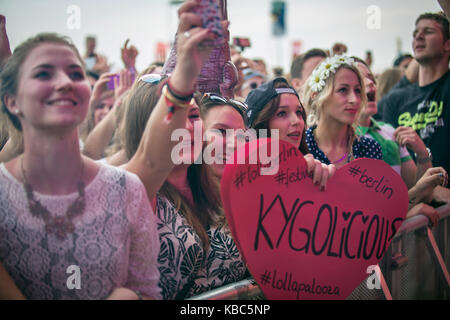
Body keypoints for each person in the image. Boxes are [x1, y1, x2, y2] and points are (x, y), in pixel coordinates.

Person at [0, 33, 161, 299]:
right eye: (43, 74)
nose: (64, 83)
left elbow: (149, 291)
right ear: (12, 101)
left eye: (76, 74)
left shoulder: (126, 188)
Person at [121, 1, 247, 299]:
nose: (187, 128)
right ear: (147, 128)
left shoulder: (218, 187)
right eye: (176, 117)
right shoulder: (137, 193)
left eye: (193, 116)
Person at [380, 12, 450, 194]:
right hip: (411, 206)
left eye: (428, 31)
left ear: (447, 43)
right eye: (415, 33)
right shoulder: (397, 98)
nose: (418, 36)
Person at [245, 77, 336, 190]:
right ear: (261, 125)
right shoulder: (244, 178)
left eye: (299, 112)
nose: (296, 121)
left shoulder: (313, 172)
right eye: (282, 113)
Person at [354, 57, 431, 189]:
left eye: (371, 77)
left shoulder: (390, 131)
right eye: (360, 79)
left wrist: (422, 154)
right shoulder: (342, 137)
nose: (370, 82)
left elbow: (415, 190)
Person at [302, 55, 383, 168]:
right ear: (317, 96)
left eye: (358, 91)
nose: (354, 99)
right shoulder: (301, 147)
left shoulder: (369, 148)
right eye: (343, 90)